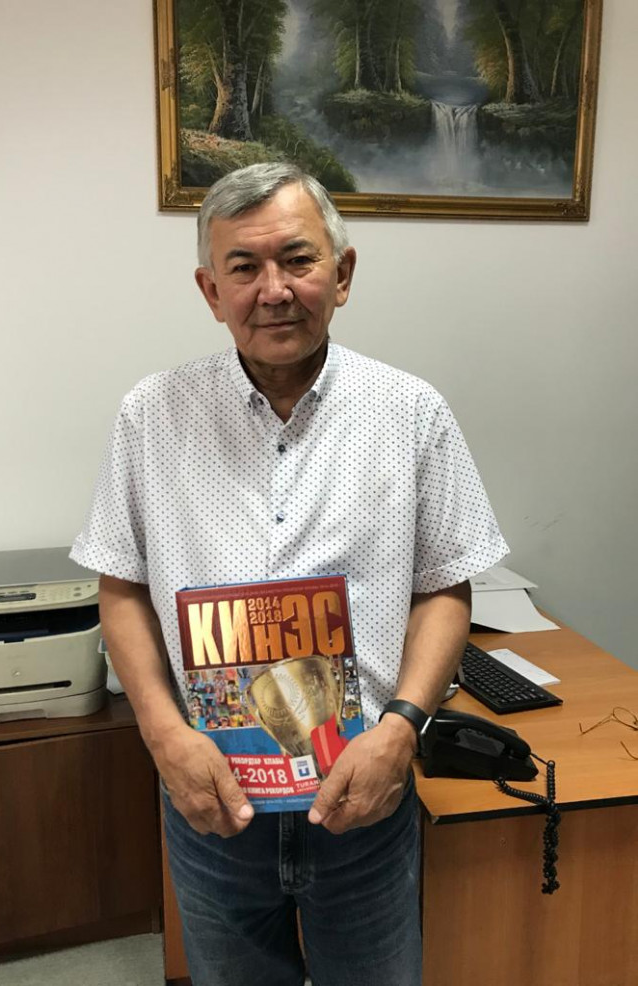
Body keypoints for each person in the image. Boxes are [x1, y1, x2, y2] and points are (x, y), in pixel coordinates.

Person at [71, 162, 508, 986]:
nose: (273, 291)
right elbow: (121, 586)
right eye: (244, 267)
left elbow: (444, 586)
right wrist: (163, 735)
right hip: (212, 798)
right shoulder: (151, 415)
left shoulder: (411, 413)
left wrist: (402, 728)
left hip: (364, 792)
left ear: (341, 275)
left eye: (299, 260)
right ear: (211, 290)